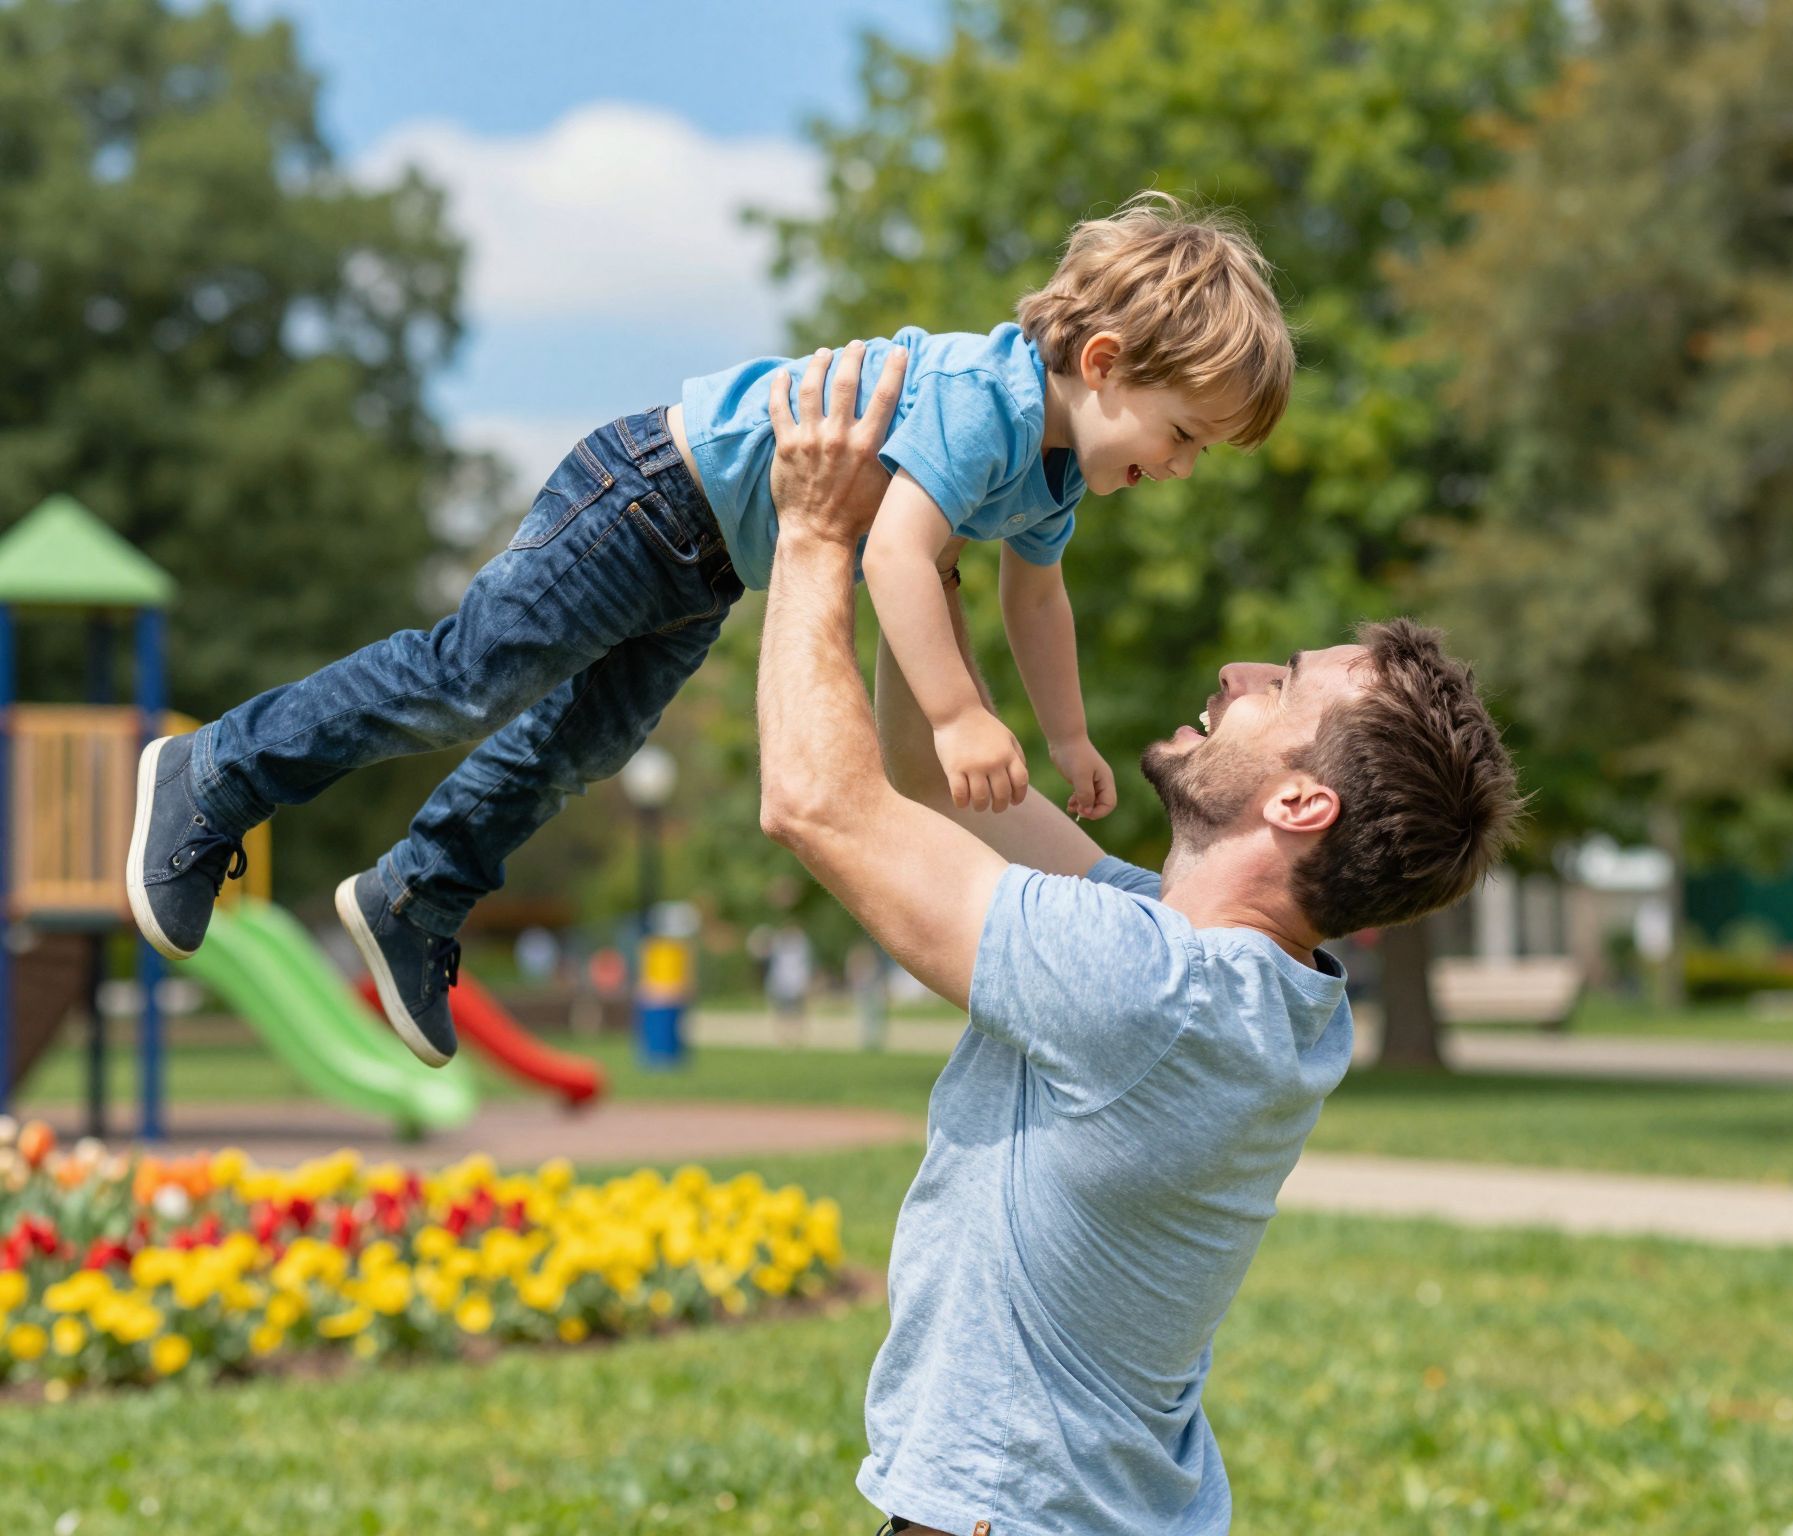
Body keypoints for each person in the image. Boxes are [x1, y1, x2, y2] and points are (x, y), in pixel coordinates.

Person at [125, 193, 1293, 1068]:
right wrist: (955, 714)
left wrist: (1070, 736)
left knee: (581, 747)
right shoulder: (984, 405)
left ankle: (417, 894)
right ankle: (216, 772)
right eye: (1183, 434)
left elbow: (1032, 596)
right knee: (473, 676)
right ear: (1102, 363)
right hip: (647, 494)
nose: (1181, 468)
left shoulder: (1052, 478)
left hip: (718, 561)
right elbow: (893, 554)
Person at [755, 350, 1522, 1533]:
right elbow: (928, 786)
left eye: (1282, 687)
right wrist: (931, 545)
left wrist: (814, 536)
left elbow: (818, 800)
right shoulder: (1245, 988)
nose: (1236, 672)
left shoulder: (1146, 992)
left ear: (1299, 804)